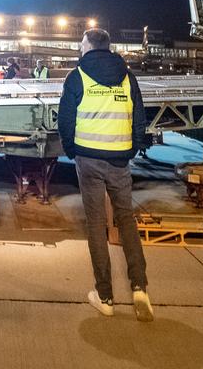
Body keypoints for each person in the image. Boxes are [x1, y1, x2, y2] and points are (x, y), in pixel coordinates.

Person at [58, 28, 153, 321]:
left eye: (81, 44)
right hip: (119, 160)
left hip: (88, 159)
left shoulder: (77, 77)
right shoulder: (127, 77)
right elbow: (140, 117)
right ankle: (139, 287)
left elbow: (65, 119)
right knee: (126, 220)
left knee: (97, 226)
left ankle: (105, 295)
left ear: (88, 46)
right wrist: (132, 148)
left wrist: (72, 150)